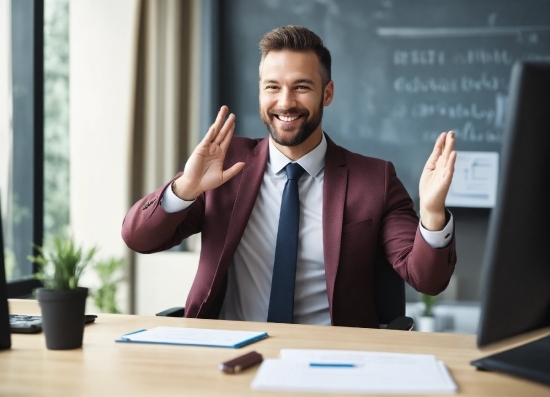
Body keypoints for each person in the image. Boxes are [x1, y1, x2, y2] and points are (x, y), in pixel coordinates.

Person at [122, 25, 457, 328]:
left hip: (331, 360)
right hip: (227, 351)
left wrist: (431, 214)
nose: (285, 102)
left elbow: (427, 279)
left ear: (327, 93)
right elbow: (139, 239)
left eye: (301, 87)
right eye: (272, 87)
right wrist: (185, 189)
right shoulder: (224, 163)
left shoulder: (375, 180)